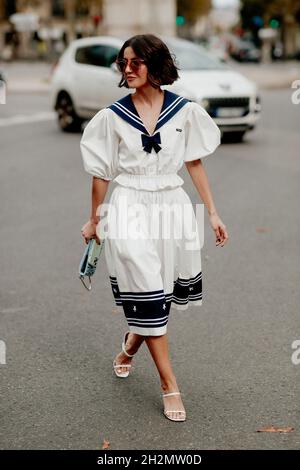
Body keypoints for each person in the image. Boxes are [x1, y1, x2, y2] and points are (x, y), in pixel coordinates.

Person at [80, 34, 229, 422]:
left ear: (155, 64)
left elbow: (194, 162)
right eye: (122, 63)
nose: (127, 70)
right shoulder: (112, 117)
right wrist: (94, 219)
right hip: (128, 203)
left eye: (136, 63)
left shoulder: (185, 111)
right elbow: (101, 174)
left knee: (158, 294)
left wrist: (212, 212)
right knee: (145, 284)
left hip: (171, 204)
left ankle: (131, 344)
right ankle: (169, 384)